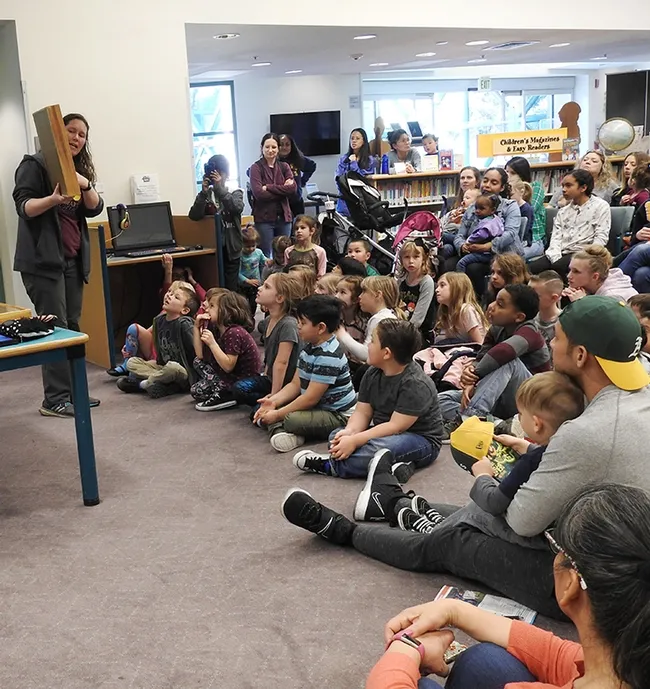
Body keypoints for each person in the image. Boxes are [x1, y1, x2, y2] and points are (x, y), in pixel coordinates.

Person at [280, 296, 650, 620]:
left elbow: (521, 521)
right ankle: (394, 504)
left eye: (558, 339)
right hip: (610, 549)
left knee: (457, 539)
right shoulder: (638, 390)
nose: (550, 344)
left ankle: (346, 531)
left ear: (581, 355)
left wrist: (484, 476)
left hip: (592, 588)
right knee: (476, 511)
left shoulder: (587, 432)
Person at [366, 483, 650, 689]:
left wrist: (405, 648)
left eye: (556, 546)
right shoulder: (625, 665)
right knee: (483, 661)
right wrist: (454, 610)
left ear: (571, 585)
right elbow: (557, 653)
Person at [395, 371, 584, 533]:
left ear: (536, 423)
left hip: (524, 532)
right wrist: (524, 445)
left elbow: (494, 502)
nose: (518, 418)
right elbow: (544, 455)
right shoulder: (563, 450)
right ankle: (436, 519)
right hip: (559, 525)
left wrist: (483, 475)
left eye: (521, 415)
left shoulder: (530, 462)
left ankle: (435, 532)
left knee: (476, 510)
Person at [13, 112, 104, 417]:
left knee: (73, 327)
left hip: (72, 262)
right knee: (55, 327)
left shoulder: (77, 169)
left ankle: (75, 393)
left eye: (82, 134)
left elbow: (94, 207)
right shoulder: (34, 165)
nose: (77, 138)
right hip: (43, 263)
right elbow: (24, 207)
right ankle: (54, 399)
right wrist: (52, 199)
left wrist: (85, 182)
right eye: (71, 131)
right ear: (56, 134)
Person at [293, 319, 443, 481]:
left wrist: (356, 440)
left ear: (386, 353)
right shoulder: (372, 373)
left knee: (381, 449)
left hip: (420, 439)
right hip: (383, 432)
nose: (368, 346)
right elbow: (362, 413)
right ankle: (395, 467)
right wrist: (350, 433)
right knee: (336, 437)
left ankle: (330, 466)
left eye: (372, 341)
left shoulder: (415, 383)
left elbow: (395, 427)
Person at [438, 284, 551, 431]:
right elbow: (482, 357)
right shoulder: (497, 328)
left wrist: (475, 375)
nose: (491, 306)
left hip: (530, 399)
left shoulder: (530, 333)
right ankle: (498, 425)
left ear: (519, 317)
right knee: (439, 400)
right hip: (496, 396)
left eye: (500, 304)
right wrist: (470, 373)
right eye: (495, 300)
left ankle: (469, 417)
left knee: (509, 362)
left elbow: (503, 352)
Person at [254, 295, 357, 453]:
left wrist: (277, 415)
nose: (298, 326)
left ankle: (291, 433)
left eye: (302, 323)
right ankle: (287, 431)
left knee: (290, 419)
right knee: (264, 409)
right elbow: (295, 384)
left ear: (321, 328)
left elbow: (310, 399)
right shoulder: (310, 347)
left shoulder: (328, 355)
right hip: (317, 407)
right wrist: (273, 401)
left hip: (337, 414)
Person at [232, 272, 302, 409]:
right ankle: (268, 402)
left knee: (258, 415)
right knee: (238, 389)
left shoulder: (288, 324)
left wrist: (275, 395)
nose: (259, 288)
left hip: (288, 385)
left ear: (280, 298)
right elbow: (270, 358)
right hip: (271, 379)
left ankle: (280, 403)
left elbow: (282, 362)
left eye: (267, 287)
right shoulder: (268, 321)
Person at [117, 283, 200, 398]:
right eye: (169, 293)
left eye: (176, 297)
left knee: (173, 367)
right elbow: (160, 358)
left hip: (183, 372)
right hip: (164, 368)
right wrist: (148, 364)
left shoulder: (185, 324)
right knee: (132, 362)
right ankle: (162, 384)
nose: (169, 296)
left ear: (185, 310)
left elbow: (196, 353)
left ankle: (142, 384)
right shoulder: (159, 321)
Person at [449, 168, 523, 296]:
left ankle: (477, 303)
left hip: (502, 253)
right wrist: (462, 245)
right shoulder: (472, 207)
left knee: (473, 268)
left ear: (502, 187)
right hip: (473, 250)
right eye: (485, 181)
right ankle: (457, 304)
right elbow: (460, 234)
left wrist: (488, 246)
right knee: (448, 264)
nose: (487, 185)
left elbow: (510, 234)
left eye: (494, 183)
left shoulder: (510, 206)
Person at [529, 169, 611, 279]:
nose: (563, 190)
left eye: (568, 186)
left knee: (557, 269)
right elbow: (556, 238)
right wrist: (555, 257)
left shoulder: (601, 206)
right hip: (559, 253)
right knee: (528, 270)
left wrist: (588, 255)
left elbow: (601, 237)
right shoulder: (563, 211)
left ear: (583, 188)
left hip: (582, 253)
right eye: (562, 186)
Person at [190, 290, 261, 411]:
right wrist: (197, 327)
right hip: (227, 375)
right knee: (196, 386)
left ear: (226, 311)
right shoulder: (215, 327)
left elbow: (229, 366)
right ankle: (221, 388)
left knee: (201, 391)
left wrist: (212, 343)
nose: (207, 308)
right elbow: (200, 355)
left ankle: (227, 394)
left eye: (212, 306)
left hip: (241, 379)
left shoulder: (234, 332)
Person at [188, 154, 244, 292]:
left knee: (230, 288)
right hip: (212, 247)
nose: (215, 176)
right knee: (215, 286)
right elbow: (194, 215)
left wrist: (220, 188)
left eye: (219, 173)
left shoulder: (234, 190)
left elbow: (237, 207)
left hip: (231, 248)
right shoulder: (207, 194)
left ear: (225, 174)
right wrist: (203, 193)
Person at [249, 133, 295, 256]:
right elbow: (259, 194)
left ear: (278, 148)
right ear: (262, 148)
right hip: (264, 219)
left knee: (284, 253)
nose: (270, 150)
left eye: (274, 147)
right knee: (266, 255)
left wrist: (269, 187)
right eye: (267, 147)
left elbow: (292, 189)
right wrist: (282, 191)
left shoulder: (284, 166)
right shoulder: (255, 168)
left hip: (284, 218)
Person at [336, 276, 400, 364]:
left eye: (364, 291)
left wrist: (342, 334)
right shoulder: (381, 316)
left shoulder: (380, 319)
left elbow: (367, 354)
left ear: (378, 295)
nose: (359, 296)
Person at [505, 155, 546, 260]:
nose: (508, 175)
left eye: (513, 173)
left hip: (533, 239)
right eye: (506, 172)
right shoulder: (505, 189)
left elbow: (531, 206)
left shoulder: (535, 186)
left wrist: (516, 191)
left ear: (522, 174)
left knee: (513, 259)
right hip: (513, 239)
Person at [564, 245, 637, 303]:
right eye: (570, 270)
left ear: (595, 277)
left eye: (576, 271)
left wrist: (581, 303)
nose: (569, 276)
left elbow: (596, 321)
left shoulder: (612, 298)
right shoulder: (593, 287)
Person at [549, 150, 619, 207]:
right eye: (585, 160)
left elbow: (617, 209)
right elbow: (551, 206)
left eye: (594, 161)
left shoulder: (610, 185)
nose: (587, 162)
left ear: (603, 167)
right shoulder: (569, 181)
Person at [432, 273, 487, 345]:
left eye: (442, 285)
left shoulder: (466, 310)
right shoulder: (447, 311)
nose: (436, 290)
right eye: (437, 286)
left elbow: (479, 343)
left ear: (457, 288)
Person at [397, 241, 436, 341]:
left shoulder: (426, 281)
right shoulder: (401, 279)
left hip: (420, 333)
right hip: (401, 327)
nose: (411, 261)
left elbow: (418, 320)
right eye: (406, 257)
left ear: (423, 259)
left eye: (416, 257)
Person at [456, 194, 505, 273]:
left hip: (485, 254)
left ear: (492, 210)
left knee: (461, 263)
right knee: (447, 239)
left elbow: (480, 235)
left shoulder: (488, 223)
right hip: (483, 251)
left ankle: (461, 283)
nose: (477, 211)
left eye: (482, 209)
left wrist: (468, 241)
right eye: (476, 208)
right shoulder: (494, 219)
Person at [336, 128, 375, 216]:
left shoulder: (369, 160)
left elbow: (360, 180)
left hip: (361, 202)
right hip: (344, 201)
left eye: (357, 138)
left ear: (364, 141)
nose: (354, 141)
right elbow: (339, 178)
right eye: (352, 138)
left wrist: (353, 163)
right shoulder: (344, 159)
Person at [278, 134, 316, 217]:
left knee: (298, 226)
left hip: (296, 201)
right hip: (279, 203)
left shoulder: (297, 158)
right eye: (281, 144)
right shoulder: (272, 160)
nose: (284, 147)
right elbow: (251, 171)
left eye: (287, 145)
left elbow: (312, 166)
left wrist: (302, 181)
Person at [440, 189, 480, 260]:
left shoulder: (474, 214)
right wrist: (450, 218)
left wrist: (459, 222)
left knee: (442, 235)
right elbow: (443, 223)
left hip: (462, 240)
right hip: (453, 242)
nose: (463, 201)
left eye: (467, 198)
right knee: (447, 248)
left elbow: (466, 232)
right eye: (463, 198)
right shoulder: (458, 211)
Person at [528, 270, 563, 345]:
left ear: (553, 298)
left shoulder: (563, 324)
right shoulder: (528, 317)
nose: (528, 298)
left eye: (534, 295)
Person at [238, 225, 266, 315]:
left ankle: (251, 318)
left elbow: (264, 260)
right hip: (243, 285)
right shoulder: (240, 256)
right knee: (242, 304)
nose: (251, 249)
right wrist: (247, 281)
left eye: (253, 246)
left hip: (254, 285)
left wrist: (269, 261)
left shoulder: (258, 252)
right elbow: (237, 273)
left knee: (253, 304)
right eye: (247, 246)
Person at [510, 179, 534, 246]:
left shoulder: (527, 209)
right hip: (513, 239)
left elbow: (524, 231)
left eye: (511, 195)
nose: (509, 198)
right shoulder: (511, 207)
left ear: (521, 192)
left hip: (524, 241)